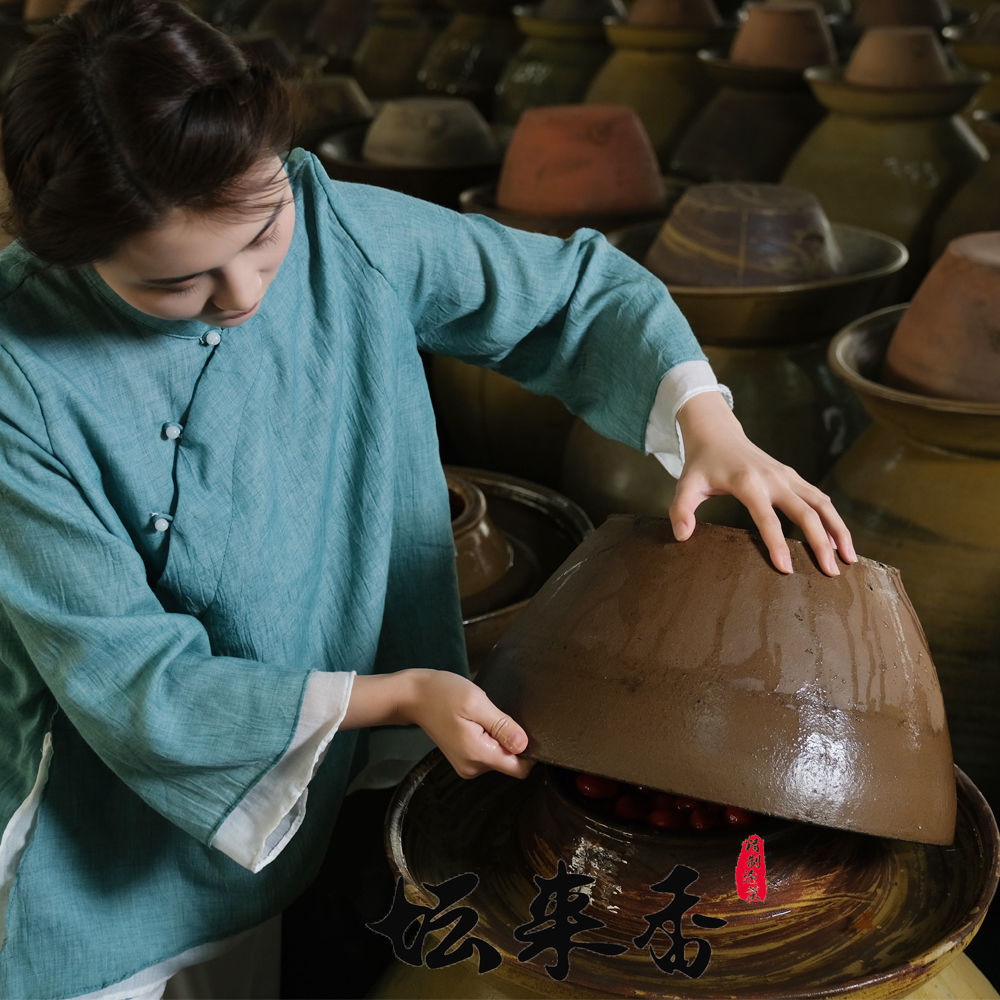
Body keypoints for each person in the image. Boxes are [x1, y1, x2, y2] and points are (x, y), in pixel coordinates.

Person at [0, 1, 856, 996]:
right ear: (73, 254)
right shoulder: (21, 374)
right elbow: (130, 681)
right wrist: (399, 694)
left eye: (263, 230)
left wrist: (709, 425)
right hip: (99, 817)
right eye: (176, 285)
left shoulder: (338, 230)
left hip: (289, 770)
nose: (243, 295)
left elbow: (573, 293)